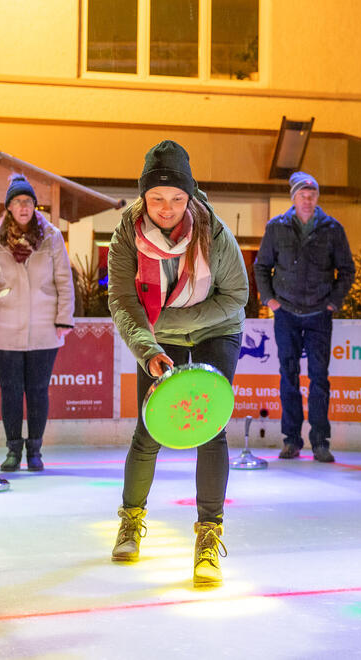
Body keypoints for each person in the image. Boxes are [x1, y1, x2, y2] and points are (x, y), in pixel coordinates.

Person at [108, 140, 248, 587]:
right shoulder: (126, 236)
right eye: (156, 199)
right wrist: (148, 350)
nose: (166, 208)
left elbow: (237, 297)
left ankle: (208, 536)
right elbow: (124, 301)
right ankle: (130, 521)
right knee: (148, 429)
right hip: (155, 338)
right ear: (142, 198)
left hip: (215, 329)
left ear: (190, 197)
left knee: (210, 426)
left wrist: (169, 318)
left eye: (176, 199)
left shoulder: (214, 232)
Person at [0, 174, 75, 472]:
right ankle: (13, 450)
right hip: (5, 328)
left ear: (34, 206)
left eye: (28, 201)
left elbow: (63, 280)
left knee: (38, 390)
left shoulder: (51, 236)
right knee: (10, 390)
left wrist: (63, 319)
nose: (23, 206)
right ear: (8, 207)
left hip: (45, 327)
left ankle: (35, 450)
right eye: (18, 201)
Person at [254, 171, 355, 463]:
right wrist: (270, 300)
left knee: (319, 378)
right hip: (285, 313)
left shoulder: (332, 229)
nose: (308, 199)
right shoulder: (277, 228)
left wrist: (333, 302)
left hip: (318, 314)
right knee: (288, 377)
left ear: (317, 198)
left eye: (312, 194)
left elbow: (347, 270)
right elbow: (262, 267)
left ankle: (320, 442)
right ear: (294, 198)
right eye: (302, 194)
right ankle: (291, 440)